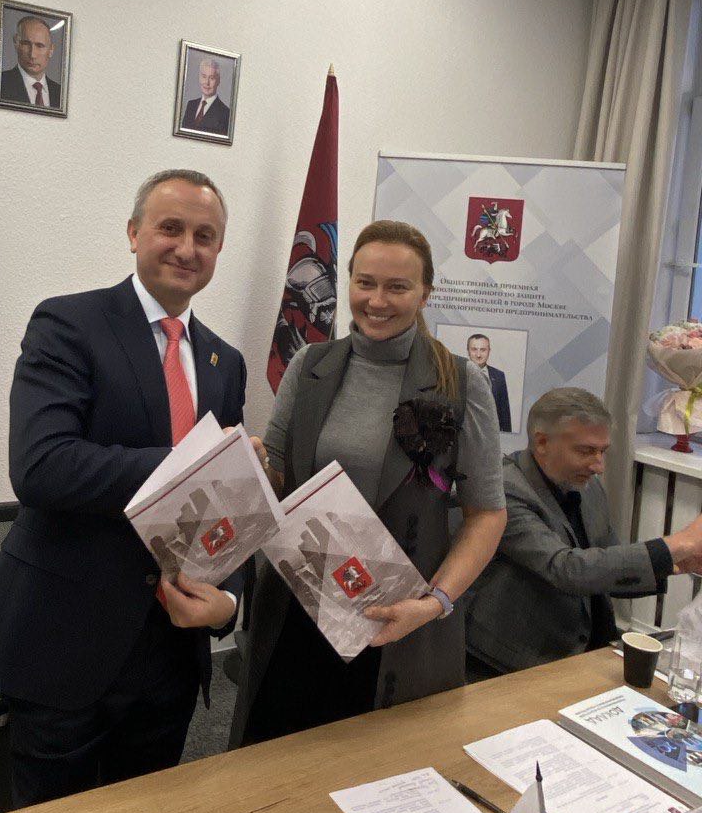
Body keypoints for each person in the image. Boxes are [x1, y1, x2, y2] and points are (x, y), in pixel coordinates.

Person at [0, 169, 252, 806]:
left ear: (219, 249)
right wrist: (192, 461)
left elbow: (224, 506)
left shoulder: (225, 361)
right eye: (170, 228)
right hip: (65, 641)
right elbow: (41, 467)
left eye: (205, 236)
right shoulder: (68, 323)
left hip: (170, 650)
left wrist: (229, 601)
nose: (187, 248)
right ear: (134, 233)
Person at [229, 219, 507, 748]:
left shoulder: (460, 380)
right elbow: (279, 476)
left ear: (426, 293)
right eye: (365, 283)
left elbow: (487, 514)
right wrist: (246, 461)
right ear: (350, 282)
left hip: (399, 618)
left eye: (397, 287)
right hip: (299, 607)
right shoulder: (310, 363)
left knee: (382, 770)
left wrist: (435, 602)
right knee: (276, 760)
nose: (377, 301)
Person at [465, 388, 702, 677]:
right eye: (586, 451)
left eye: (603, 451)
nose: (599, 466)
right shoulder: (504, 490)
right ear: (541, 442)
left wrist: (676, 563)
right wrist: (679, 543)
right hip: (512, 663)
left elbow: (607, 565)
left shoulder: (586, 486)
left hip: (589, 650)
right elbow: (566, 569)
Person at [0, 15, 62, 108]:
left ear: (51, 50)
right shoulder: (0, 84)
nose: (32, 55)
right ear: (16, 44)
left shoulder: (60, 93)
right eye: (26, 44)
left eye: (40, 46)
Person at [467, 333, 512, 432]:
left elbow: (504, 413)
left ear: (489, 351)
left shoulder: (499, 376)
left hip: (491, 434)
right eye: (474, 349)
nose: (478, 355)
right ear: (468, 351)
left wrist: (508, 437)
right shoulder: (458, 374)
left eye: (483, 350)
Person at [181, 58, 230, 136]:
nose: (207, 83)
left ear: (218, 81)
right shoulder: (191, 105)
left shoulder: (225, 113)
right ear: (199, 78)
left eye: (212, 78)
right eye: (204, 77)